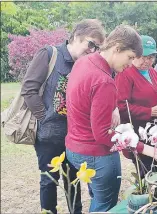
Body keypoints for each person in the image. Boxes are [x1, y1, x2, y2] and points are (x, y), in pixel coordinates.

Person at [20, 19, 106, 214]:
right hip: (49, 137)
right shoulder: (49, 54)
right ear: (76, 36)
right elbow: (29, 90)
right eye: (90, 44)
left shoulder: (88, 64)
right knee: (49, 181)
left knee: (73, 181)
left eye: (97, 47)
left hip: (74, 137)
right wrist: (45, 118)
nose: (93, 50)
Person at [65, 25, 142, 212]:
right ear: (117, 48)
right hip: (96, 153)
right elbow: (101, 135)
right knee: (104, 206)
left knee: (96, 197)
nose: (131, 64)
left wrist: (113, 106)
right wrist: (141, 147)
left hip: (73, 148)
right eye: (130, 57)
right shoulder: (104, 80)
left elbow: (86, 98)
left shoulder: (85, 61)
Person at [115, 35, 157, 177]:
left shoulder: (153, 72)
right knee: (146, 173)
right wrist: (149, 111)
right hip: (140, 133)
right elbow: (121, 107)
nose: (147, 61)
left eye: (151, 57)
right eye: (143, 56)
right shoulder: (125, 74)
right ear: (134, 55)